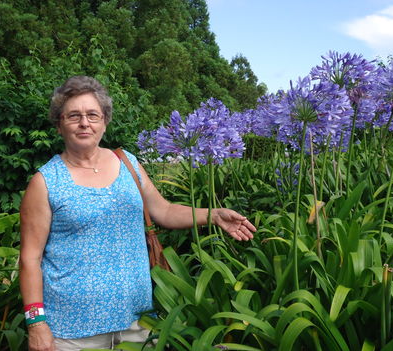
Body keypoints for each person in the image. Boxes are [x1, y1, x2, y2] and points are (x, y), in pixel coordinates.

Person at [19, 76, 256, 351]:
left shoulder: (126, 162)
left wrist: (213, 215)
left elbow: (164, 211)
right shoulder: (45, 182)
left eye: (92, 115)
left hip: (138, 323)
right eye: (74, 116)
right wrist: (36, 324)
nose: (85, 123)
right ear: (59, 124)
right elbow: (30, 258)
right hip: (72, 331)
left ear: (104, 121)